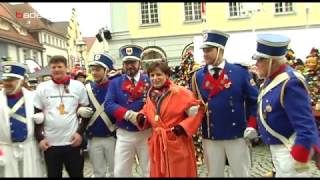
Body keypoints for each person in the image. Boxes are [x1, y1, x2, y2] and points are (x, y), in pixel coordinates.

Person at [191, 30, 259, 177]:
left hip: (237, 134)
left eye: (209, 50)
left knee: (241, 173)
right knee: (214, 174)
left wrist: (252, 124)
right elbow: (195, 102)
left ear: (220, 50)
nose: (205, 54)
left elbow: (254, 101)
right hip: (211, 134)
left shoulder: (239, 72)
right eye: (204, 50)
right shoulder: (198, 76)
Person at [253, 34, 320, 177]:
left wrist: (300, 152)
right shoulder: (270, 81)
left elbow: (305, 123)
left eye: (260, 59)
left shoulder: (290, 82)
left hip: (291, 149)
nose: (256, 63)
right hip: (278, 149)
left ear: (272, 61)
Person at [135, 61, 205, 177]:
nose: (155, 78)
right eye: (152, 75)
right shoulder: (151, 94)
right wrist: (142, 117)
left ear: (167, 75)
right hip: (158, 144)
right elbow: (149, 110)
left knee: (180, 173)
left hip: (177, 141)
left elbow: (199, 110)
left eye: (159, 74)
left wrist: (183, 127)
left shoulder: (180, 92)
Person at [33, 55, 92, 177]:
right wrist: (40, 138)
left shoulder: (78, 86)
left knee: (77, 175)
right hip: (51, 144)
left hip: (72, 142)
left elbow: (86, 113)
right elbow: (37, 115)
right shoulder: (42, 87)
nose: (56, 69)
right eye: (53, 67)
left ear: (66, 68)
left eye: (59, 66)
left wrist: (80, 133)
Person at [105, 45, 151, 177]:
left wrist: (143, 115)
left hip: (146, 132)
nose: (130, 66)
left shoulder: (149, 80)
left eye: (133, 62)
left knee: (149, 170)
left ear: (139, 63)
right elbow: (108, 104)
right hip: (124, 133)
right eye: (127, 62)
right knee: (121, 172)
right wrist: (128, 115)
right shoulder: (115, 82)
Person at [0, 62, 43, 177]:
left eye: (12, 80)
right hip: (5, 149)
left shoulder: (33, 97)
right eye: (5, 80)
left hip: (28, 147)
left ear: (21, 81)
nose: (7, 83)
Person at [84, 53, 117, 177]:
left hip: (112, 136)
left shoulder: (115, 86)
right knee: (98, 172)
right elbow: (80, 104)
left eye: (98, 69)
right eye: (93, 70)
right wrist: (79, 110)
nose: (94, 72)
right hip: (94, 136)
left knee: (115, 171)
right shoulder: (87, 88)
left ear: (106, 70)